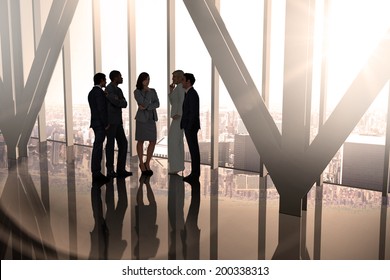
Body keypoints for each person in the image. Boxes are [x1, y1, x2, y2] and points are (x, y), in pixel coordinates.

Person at [105, 70, 132, 178]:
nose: (122, 78)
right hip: (111, 122)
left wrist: (118, 101)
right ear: (115, 78)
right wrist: (118, 101)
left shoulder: (118, 90)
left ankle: (120, 169)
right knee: (110, 146)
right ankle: (110, 170)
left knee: (123, 144)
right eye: (120, 76)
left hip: (117, 122)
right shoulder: (109, 89)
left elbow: (124, 103)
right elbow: (116, 102)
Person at [134, 72, 160, 176]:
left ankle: (147, 162)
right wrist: (148, 96)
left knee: (153, 141)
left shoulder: (153, 90)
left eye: (148, 79)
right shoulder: (137, 92)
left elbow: (157, 103)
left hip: (151, 119)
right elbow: (142, 103)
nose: (147, 81)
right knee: (140, 141)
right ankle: (141, 163)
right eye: (145, 79)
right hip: (141, 120)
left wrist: (147, 107)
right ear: (141, 80)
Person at [88, 73, 110, 183]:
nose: (106, 82)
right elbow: (101, 109)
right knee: (98, 147)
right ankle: (96, 172)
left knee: (98, 146)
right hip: (100, 124)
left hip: (95, 123)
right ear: (101, 80)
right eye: (105, 80)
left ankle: (96, 172)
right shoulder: (99, 93)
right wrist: (106, 124)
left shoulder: (92, 92)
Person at [180, 73, 200, 182]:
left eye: (183, 80)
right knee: (193, 151)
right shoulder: (189, 93)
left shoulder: (191, 94)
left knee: (194, 151)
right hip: (190, 126)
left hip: (191, 127)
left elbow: (193, 113)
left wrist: (188, 127)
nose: (181, 82)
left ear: (188, 81)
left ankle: (195, 174)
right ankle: (195, 174)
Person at [168, 70, 185, 174]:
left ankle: (176, 167)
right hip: (177, 118)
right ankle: (177, 166)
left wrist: (179, 113)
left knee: (174, 142)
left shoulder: (180, 88)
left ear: (179, 78)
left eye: (174, 77)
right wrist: (171, 91)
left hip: (178, 118)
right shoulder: (178, 88)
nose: (173, 79)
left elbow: (182, 101)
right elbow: (173, 102)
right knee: (176, 142)